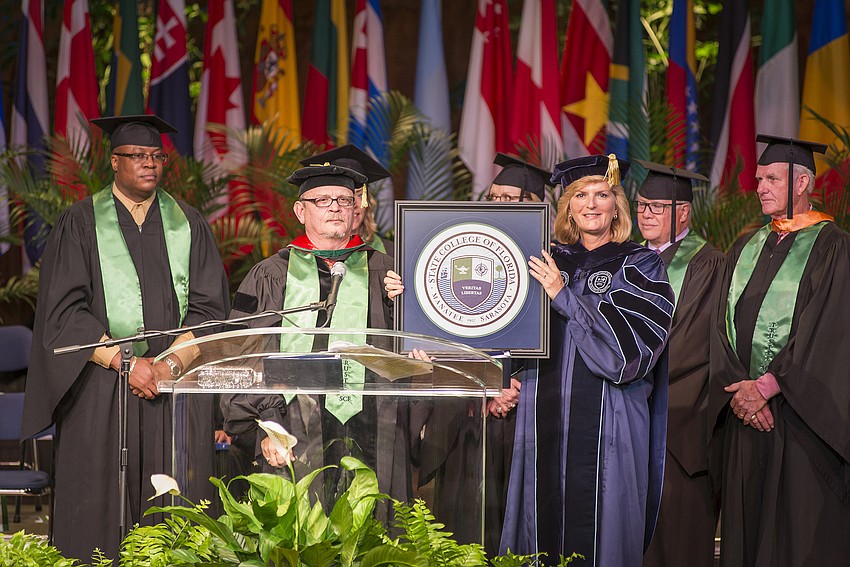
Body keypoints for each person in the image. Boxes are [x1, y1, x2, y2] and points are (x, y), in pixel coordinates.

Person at [21, 115, 230, 561]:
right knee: (98, 512)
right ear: (114, 161)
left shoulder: (188, 224)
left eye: (156, 156)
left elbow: (212, 309)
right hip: (100, 388)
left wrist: (168, 363)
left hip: (174, 388)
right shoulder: (79, 223)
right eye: (137, 156)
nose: (149, 164)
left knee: (178, 511)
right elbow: (63, 312)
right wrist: (127, 362)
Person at [499, 154, 674, 566]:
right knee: (538, 524)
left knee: (602, 530)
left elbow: (624, 358)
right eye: (580, 195)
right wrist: (409, 296)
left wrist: (564, 297)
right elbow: (499, 321)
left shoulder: (641, 265)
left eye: (602, 194)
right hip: (543, 413)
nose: (591, 204)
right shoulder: (545, 261)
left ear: (617, 204)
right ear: (568, 207)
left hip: (609, 419)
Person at [383, 153, 553, 552]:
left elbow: (556, 338)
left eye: (510, 200)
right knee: (458, 526)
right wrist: (406, 297)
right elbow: (441, 319)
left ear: (536, 205)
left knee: (520, 526)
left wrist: (516, 386)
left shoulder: (552, 264)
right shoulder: (465, 248)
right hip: (461, 410)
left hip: (525, 415)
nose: (497, 207)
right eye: (493, 198)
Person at [220, 163, 410, 508]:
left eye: (343, 199)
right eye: (322, 200)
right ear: (300, 210)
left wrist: (405, 306)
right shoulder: (271, 274)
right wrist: (270, 425)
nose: (335, 207)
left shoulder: (388, 271)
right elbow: (245, 356)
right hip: (293, 426)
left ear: (356, 210)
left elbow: (410, 352)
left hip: (374, 426)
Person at [708, 135, 850, 566]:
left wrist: (769, 386)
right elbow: (719, 326)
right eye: (758, 178)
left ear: (804, 183)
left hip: (797, 418)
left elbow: (827, 330)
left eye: (772, 178)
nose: (760, 187)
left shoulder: (832, 246)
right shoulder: (745, 247)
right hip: (746, 415)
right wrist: (740, 391)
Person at [635, 161, 724, 567]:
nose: (646, 214)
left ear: (683, 212)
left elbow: (691, 341)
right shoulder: (629, 259)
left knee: (678, 533)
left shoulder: (708, 263)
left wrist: (632, 376)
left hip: (679, 416)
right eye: (640, 206)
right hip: (632, 413)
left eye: (656, 206)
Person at [299, 144, 394, 255]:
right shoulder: (299, 258)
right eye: (343, 199)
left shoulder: (393, 253)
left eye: (359, 195)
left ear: (367, 201)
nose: (353, 204)